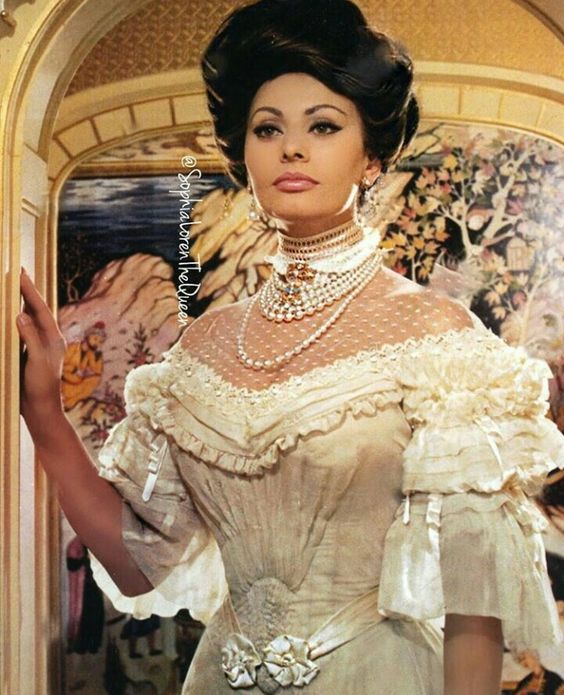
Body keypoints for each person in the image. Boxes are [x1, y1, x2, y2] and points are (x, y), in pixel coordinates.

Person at [17, 1, 564, 693]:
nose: (292, 149)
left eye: (323, 126)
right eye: (267, 128)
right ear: (243, 154)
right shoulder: (203, 346)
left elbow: (472, 600)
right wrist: (44, 412)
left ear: (371, 157)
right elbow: (135, 563)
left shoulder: (437, 336)